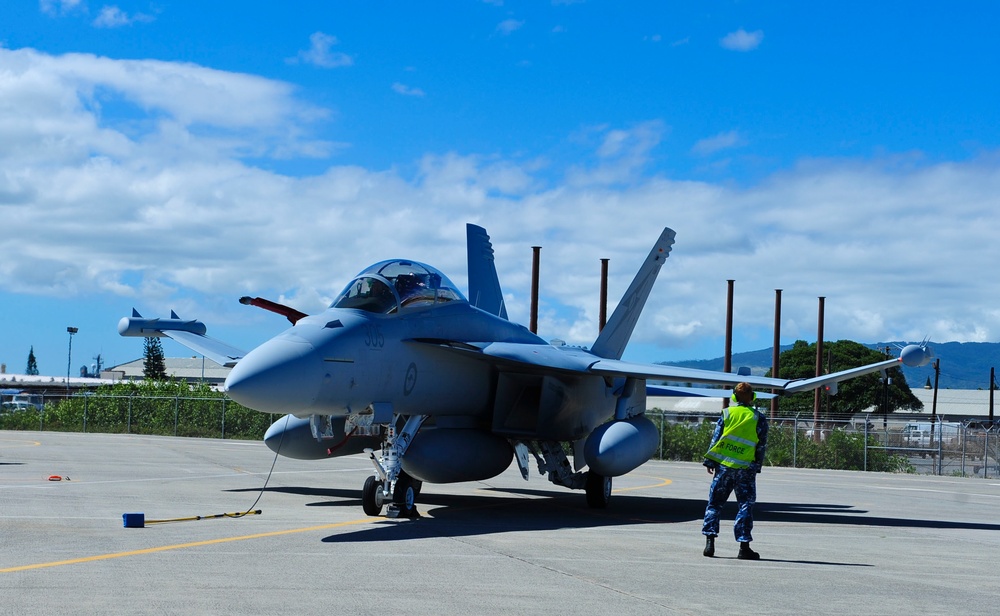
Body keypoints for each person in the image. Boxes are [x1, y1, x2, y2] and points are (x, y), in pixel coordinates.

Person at [701, 381, 769, 560]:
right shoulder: (758, 417)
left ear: (734, 397)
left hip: (723, 466)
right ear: (752, 396)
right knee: (745, 505)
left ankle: (710, 543)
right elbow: (761, 446)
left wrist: (710, 461)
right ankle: (743, 546)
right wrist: (757, 466)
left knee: (715, 504)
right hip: (745, 468)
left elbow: (716, 438)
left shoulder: (727, 413)